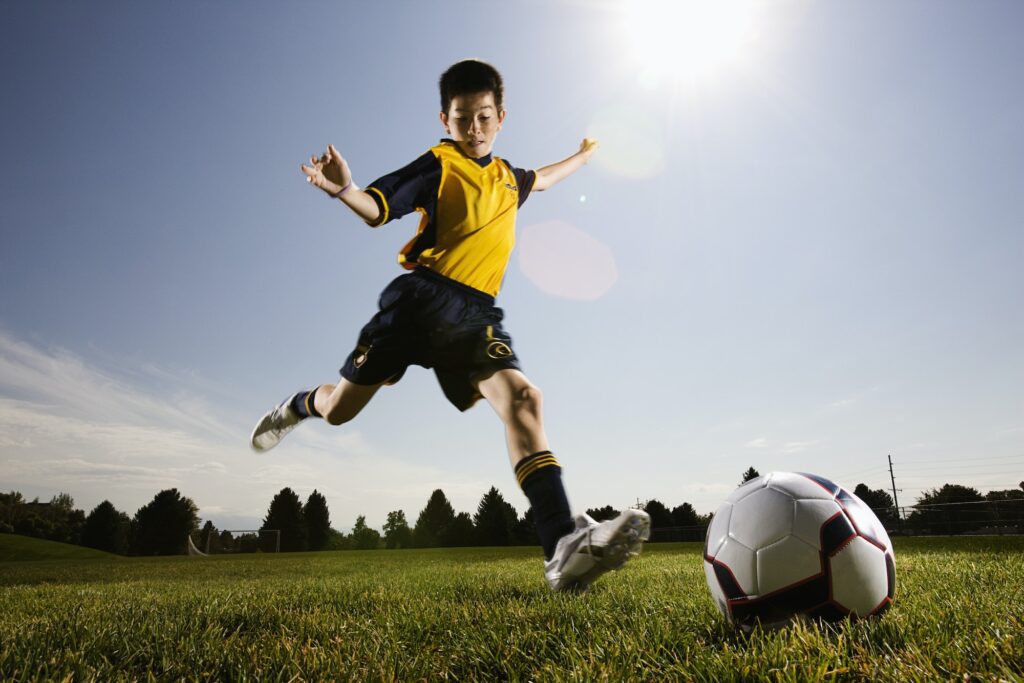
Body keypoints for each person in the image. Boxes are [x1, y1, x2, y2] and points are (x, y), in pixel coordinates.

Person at [251, 59, 649, 591]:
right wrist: (344, 190)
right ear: (446, 118)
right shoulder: (439, 164)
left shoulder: (511, 179)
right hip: (417, 303)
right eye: (463, 119)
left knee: (524, 400)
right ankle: (296, 406)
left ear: (500, 117)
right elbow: (377, 209)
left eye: (484, 117)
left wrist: (584, 154)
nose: (474, 129)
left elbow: (547, 178)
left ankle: (560, 547)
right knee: (339, 410)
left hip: (475, 315)